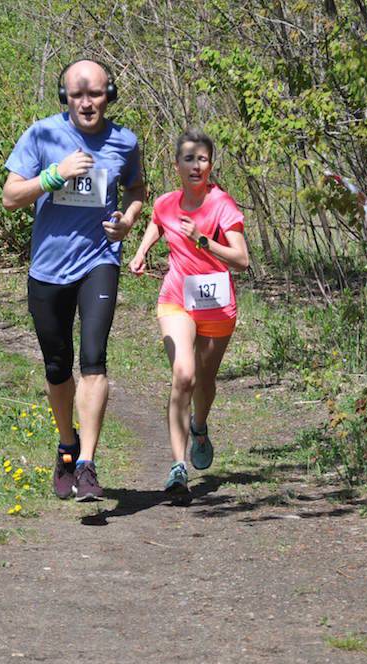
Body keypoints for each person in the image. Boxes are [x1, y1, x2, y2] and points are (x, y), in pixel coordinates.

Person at [2, 59, 145, 501]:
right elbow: (10, 196)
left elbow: (136, 190)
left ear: (109, 95)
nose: (87, 103)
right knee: (57, 367)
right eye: (78, 94)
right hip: (48, 268)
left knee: (94, 359)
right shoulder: (42, 135)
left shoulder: (125, 141)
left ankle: (86, 464)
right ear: (65, 96)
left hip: (99, 260)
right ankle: (67, 445)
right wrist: (55, 175)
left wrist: (127, 221)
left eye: (95, 94)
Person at [128, 128, 249, 503]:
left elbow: (242, 260)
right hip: (176, 300)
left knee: (205, 382)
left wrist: (203, 240)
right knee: (184, 375)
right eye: (189, 159)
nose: (196, 166)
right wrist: (142, 251)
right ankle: (178, 467)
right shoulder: (166, 202)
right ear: (177, 164)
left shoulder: (222, 205)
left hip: (217, 305)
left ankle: (199, 425)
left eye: (203, 159)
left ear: (211, 165)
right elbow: (157, 222)